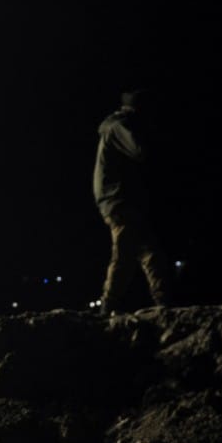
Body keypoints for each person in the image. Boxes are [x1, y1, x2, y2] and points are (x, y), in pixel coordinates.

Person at [93, 90, 171, 314]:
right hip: (118, 199)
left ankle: (163, 301)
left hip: (121, 199)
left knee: (149, 251)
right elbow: (140, 151)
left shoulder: (115, 125)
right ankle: (108, 305)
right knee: (125, 252)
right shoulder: (120, 126)